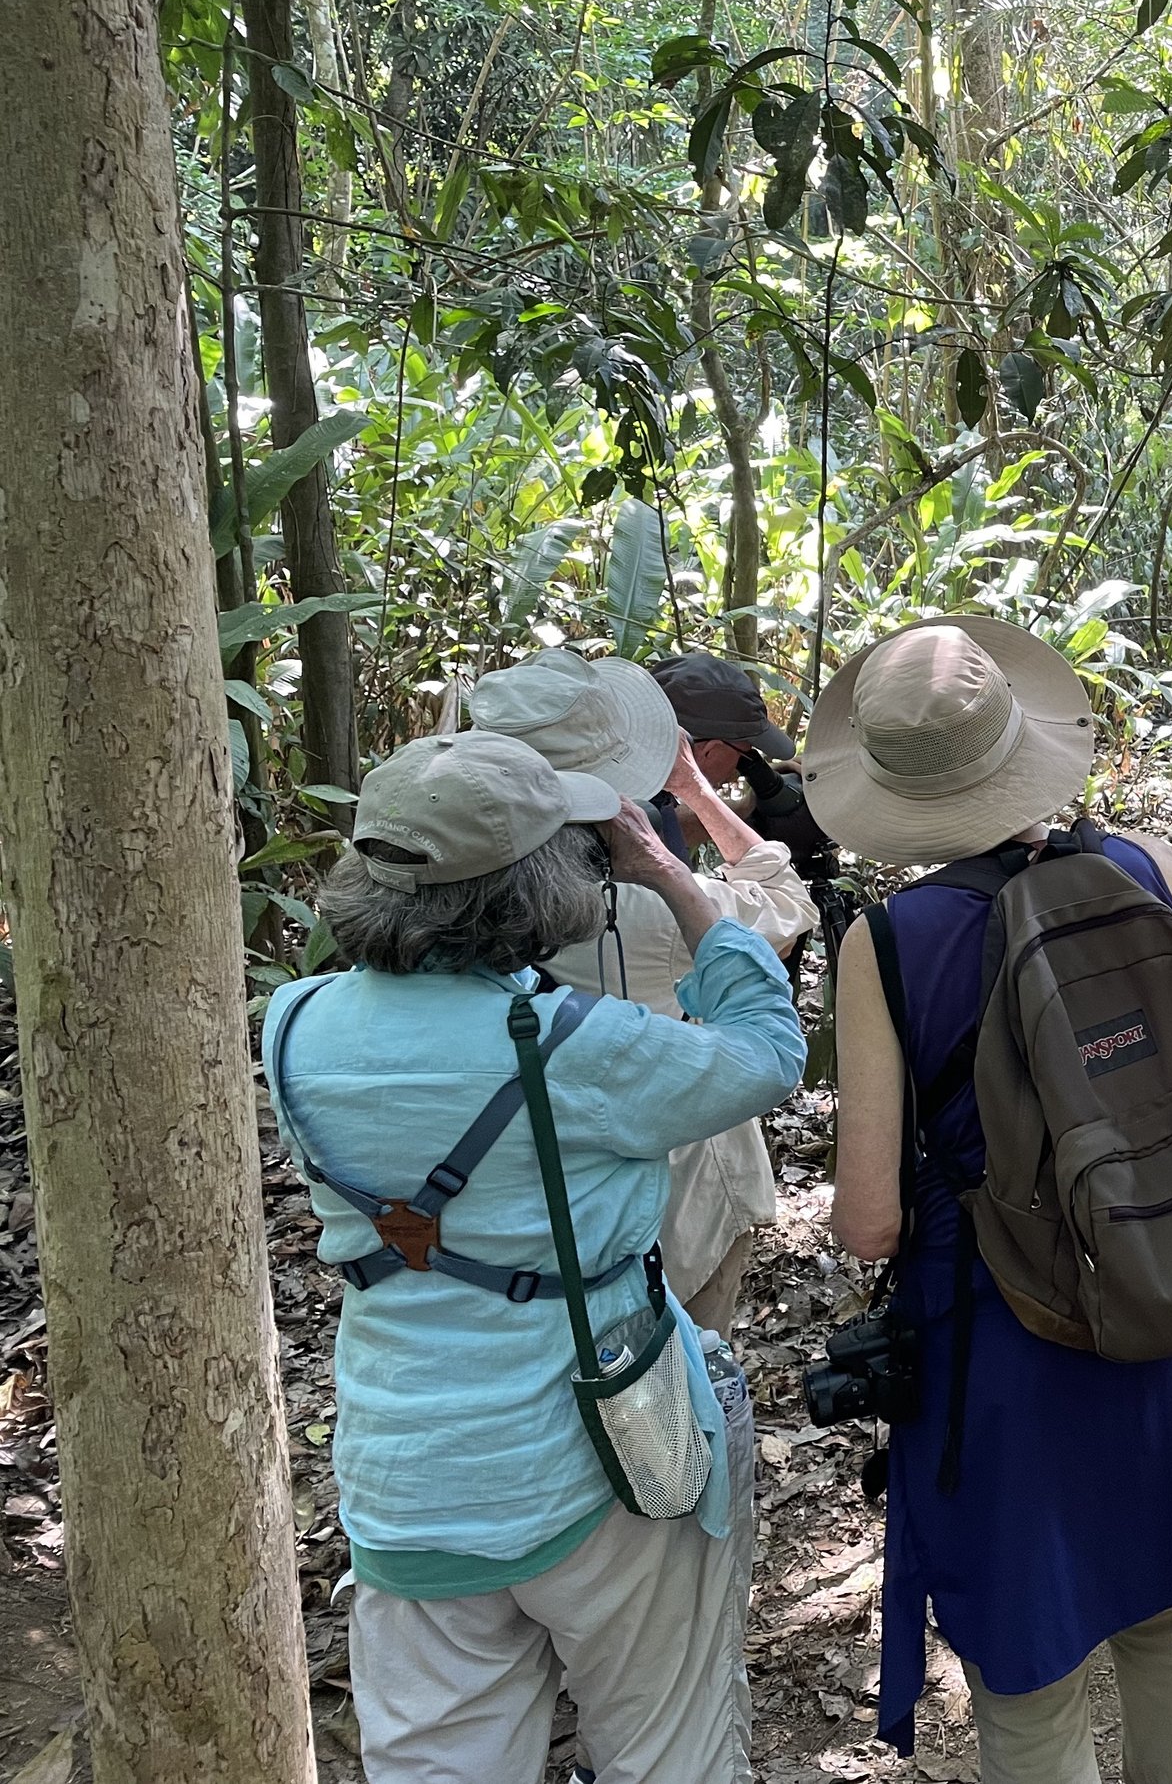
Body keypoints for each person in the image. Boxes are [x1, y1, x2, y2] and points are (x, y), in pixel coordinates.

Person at [265, 731, 806, 1783]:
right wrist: (661, 867)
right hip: (602, 1462)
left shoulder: (295, 1025)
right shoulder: (573, 1044)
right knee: (669, 1754)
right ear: (545, 878)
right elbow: (768, 1051)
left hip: (407, 1475)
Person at [807, 616, 1172, 1779]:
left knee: (1026, 1679)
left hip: (999, 1342)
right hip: (1162, 1296)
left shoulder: (888, 941)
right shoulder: (1147, 870)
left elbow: (869, 1218)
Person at [471, 646, 819, 1335]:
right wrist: (693, 789)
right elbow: (787, 900)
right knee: (686, 1400)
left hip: (528, 1208)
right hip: (678, 1204)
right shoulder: (642, 911)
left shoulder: (464, 901)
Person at [651, 651, 836, 879]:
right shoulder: (624, 810)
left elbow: (664, 827)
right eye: (743, 754)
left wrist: (750, 801)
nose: (740, 766)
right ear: (710, 750)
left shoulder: (637, 777)